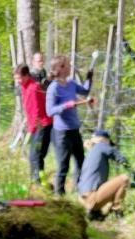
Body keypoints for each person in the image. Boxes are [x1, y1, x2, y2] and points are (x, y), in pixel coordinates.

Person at [45, 55, 93, 196]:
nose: (70, 66)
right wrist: (65, 106)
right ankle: (59, 196)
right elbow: (49, 111)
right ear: (60, 69)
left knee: (80, 162)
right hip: (62, 133)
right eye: (67, 65)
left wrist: (89, 77)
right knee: (63, 166)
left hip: (75, 130)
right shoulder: (53, 88)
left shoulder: (71, 83)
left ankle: (79, 191)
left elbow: (84, 91)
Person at [78, 130, 135, 219]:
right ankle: (117, 210)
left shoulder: (92, 152)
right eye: (109, 143)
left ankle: (95, 213)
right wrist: (131, 171)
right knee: (124, 179)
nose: (109, 145)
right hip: (91, 198)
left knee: (115, 182)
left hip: (83, 198)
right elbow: (118, 156)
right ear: (104, 139)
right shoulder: (101, 145)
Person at [15, 64, 52, 187]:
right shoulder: (24, 87)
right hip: (36, 125)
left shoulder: (33, 87)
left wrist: (31, 131)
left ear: (26, 76)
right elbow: (29, 107)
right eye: (16, 78)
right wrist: (26, 120)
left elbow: (37, 110)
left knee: (35, 155)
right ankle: (37, 181)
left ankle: (38, 182)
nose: (18, 81)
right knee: (35, 156)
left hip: (42, 125)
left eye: (19, 78)